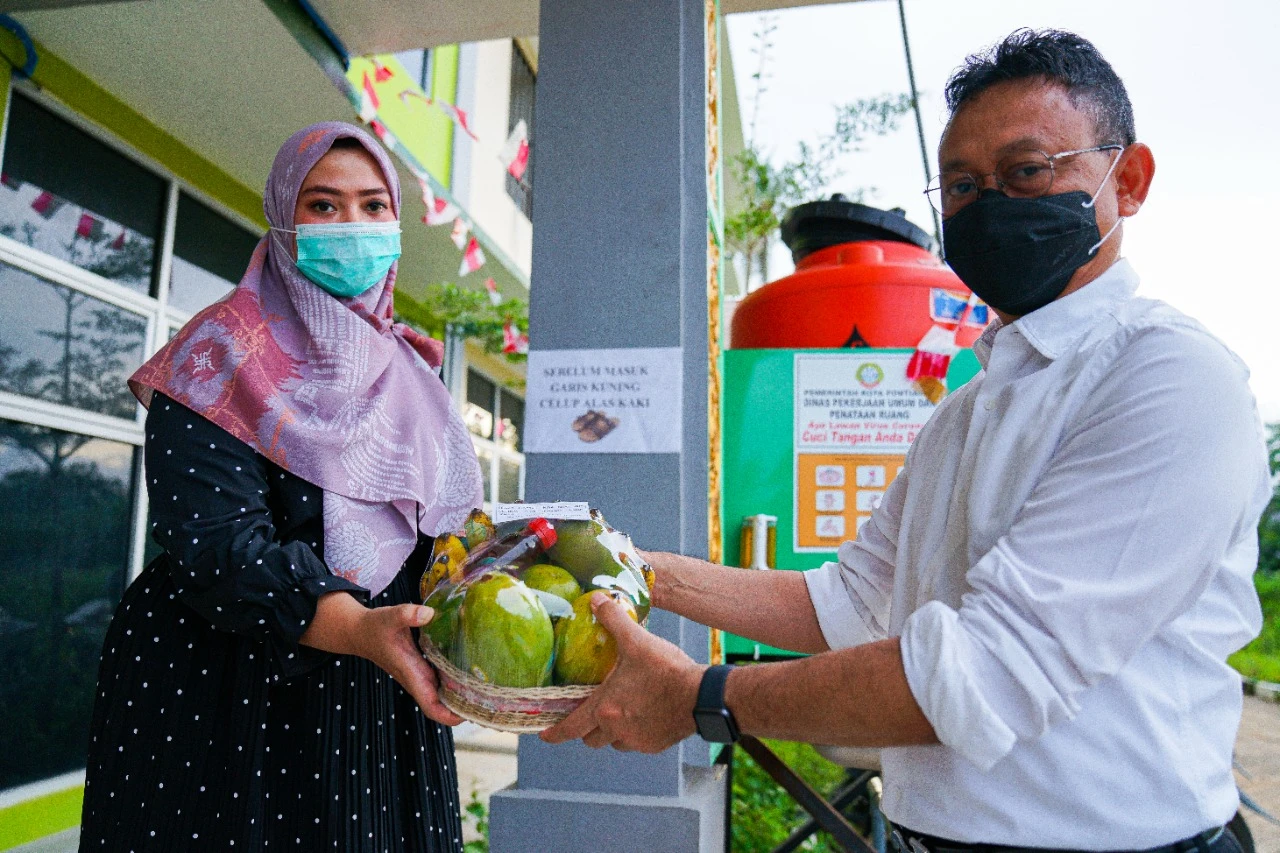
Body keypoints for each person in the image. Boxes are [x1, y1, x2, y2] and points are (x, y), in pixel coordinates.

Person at [542, 29, 1270, 852]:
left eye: (1026, 172)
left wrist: (702, 695)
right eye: (961, 186)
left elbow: (981, 674)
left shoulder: (1169, 377)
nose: (988, 204)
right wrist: (633, 567)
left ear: (1126, 179)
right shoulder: (967, 410)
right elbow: (848, 602)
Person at [79, 122, 483, 851]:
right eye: (323, 206)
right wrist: (359, 628)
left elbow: (447, 545)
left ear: (396, 222)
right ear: (284, 218)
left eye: (371, 206)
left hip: (380, 700)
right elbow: (218, 546)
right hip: (223, 692)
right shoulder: (221, 348)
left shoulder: (414, 377)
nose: (350, 227)